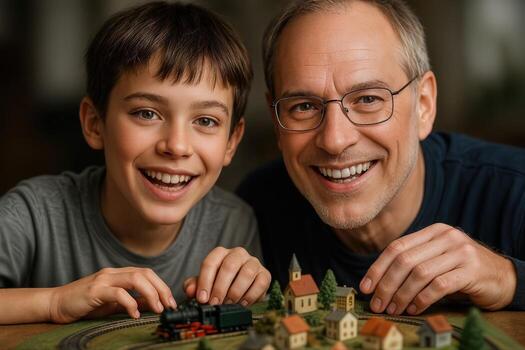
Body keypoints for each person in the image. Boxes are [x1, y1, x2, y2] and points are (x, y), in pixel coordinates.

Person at [238, 0, 525, 315]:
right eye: (303, 106)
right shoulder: (255, 209)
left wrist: (510, 278)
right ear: (276, 120)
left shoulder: (515, 190)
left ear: (424, 105)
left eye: (368, 99)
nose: (335, 140)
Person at [0, 1, 270, 325]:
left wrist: (250, 290)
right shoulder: (33, 213)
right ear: (94, 123)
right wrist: (54, 301)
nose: (177, 145)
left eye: (206, 120)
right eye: (147, 113)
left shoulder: (234, 225)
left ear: (231, 142)